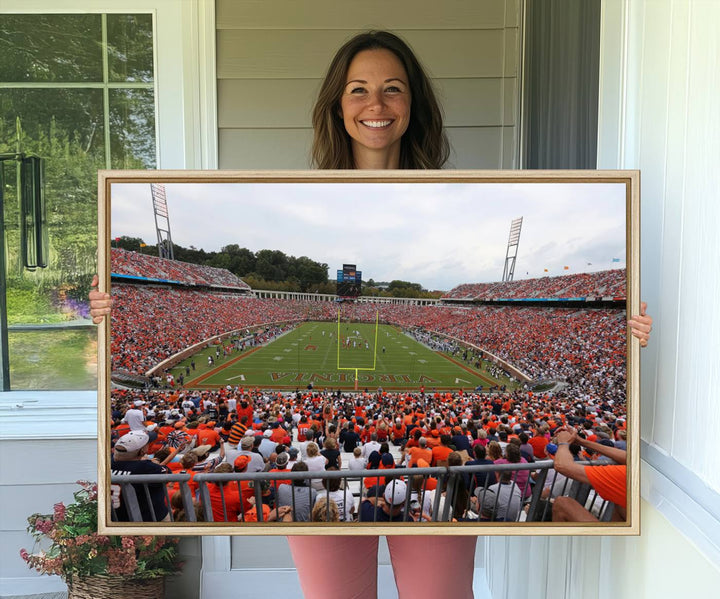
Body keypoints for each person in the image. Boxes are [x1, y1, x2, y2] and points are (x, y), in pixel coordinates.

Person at [90, 29, 653, 599]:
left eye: (393, 89)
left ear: (414, 104)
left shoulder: (458, 191)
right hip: (398, 482)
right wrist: (105, 314)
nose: (376, 105)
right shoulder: (291, 187)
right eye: (358, 89)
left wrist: (628, 329)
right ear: (338, 104)